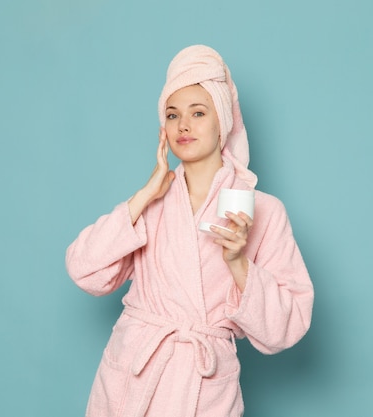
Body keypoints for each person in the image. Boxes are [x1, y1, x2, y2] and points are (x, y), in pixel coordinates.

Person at [65, 45, 314, 417]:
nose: (183, 125)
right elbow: (84, 271)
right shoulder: (150, 204)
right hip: (133, 379)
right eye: (172, 114)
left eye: (198, 112)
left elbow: (288, 324)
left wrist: (238, 263)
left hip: (203, 386)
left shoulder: (264, 210)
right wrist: (144, 195)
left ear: (223, 121)